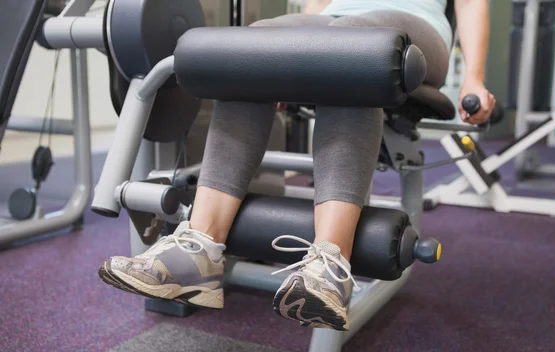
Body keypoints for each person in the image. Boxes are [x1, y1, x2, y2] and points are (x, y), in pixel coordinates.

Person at [99, 0, 496, 331]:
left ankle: (331, 266)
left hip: (414, 26)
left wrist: (474, 78)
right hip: (333, 18)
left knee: (350, 47)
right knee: (250, 49)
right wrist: (292, 60)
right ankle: (198, 251)